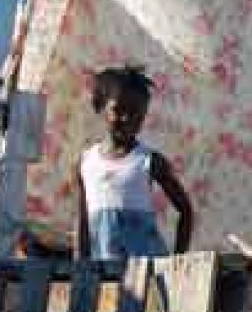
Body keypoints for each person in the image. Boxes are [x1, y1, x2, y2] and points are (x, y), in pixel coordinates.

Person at [72, 65, 193, 260]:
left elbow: (185, 210)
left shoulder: (149, 161)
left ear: (144, 116)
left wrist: (177, 263)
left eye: (136, 112)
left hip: (147, 275)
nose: (127, 118)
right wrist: (80, 268)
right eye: (118, 110)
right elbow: (82, 221)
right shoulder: (86, 164)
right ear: (99, 107)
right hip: (105, 275)